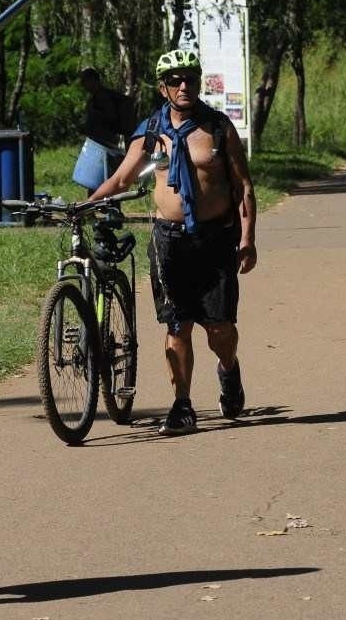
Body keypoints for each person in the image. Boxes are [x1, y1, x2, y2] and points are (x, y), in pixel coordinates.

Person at [88, 49, 257, 436]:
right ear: (163, 87)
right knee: (177, 325)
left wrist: (247, 239)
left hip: (215, 239)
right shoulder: (151, 131)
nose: (185, 86)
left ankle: (228, 369)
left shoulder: (217, 128)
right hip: (168, 241)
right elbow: (121, 180)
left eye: (191, 79)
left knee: (219, 330)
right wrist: (87, 204)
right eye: (176, 80)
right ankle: (182, 405)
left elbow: (243, 186)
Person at [74, 67, 135, 194]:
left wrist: (94, 113)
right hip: (100, 144)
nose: (84, 85)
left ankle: (110, 209)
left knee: (105, 178)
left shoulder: (103, 96)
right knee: (96, 178)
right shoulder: (97, 96)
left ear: (94, 80)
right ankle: (96, 208)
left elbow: (110, 116)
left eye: (85, 82)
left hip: (104, 145)